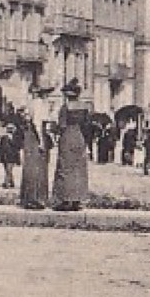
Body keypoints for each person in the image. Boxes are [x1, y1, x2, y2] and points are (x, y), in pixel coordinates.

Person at [51, 84, 90, 212]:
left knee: (65, 167)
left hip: (68, 136)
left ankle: (65, 200)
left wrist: (54, 130)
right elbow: (87, 125)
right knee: (78, 169)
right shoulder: (85, 107)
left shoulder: (65, 107)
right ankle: (77, 200)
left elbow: (62, 126)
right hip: (79, 137)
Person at [17, 111, 48, 210]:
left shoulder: (31, 103)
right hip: (35, 139)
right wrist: (41, 142)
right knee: (36, 168)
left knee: (30, 166)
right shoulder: (38, 103)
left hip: (29, 138)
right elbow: (37, 125)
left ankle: (27, 197)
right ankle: (35, 198)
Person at [0, 120, 21, 189]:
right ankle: (12, 182)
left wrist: (18, 158)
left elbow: (18, 147)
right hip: (4, 156)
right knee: (7, 170)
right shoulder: (3, 138)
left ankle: (6, 183)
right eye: (9, 129)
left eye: (11, 129)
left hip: (12, 156)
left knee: (8, 169)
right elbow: (0, 147)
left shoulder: (16, 138)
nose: (10, 130)